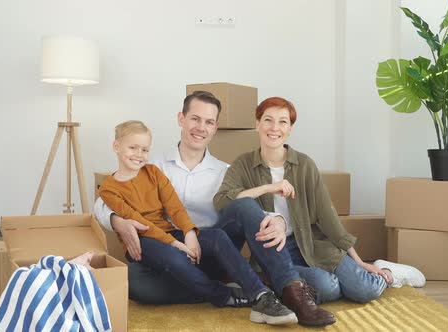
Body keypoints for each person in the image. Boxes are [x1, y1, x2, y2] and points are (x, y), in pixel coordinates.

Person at [95, 91, 329, 326]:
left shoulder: (225, 170)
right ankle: (236, 289)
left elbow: (249, 207)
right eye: (195, 119)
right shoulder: (149, 163)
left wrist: (277, 219)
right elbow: (104, 201)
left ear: (215, 127)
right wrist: (117, 220)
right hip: (163, 252)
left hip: (211, 250)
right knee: (134, 281)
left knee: (242, 205)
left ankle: (291, 290)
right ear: (181, 119)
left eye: (208, 122)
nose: (201, 127)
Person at [213, 96, 427, 326]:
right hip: (275, 250)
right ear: (257, 124)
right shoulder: (243, 164)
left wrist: (360, 262)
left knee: (365, 290)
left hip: (315, 243)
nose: (275, 128)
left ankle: (389, 272)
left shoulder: (304, 165)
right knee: (328, 287)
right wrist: (268, 188)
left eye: (283, 122)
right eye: (268, 120)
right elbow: (222, 201)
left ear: (290, 128)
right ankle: (284, 282)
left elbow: (328, 216)